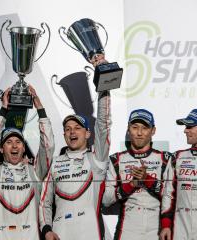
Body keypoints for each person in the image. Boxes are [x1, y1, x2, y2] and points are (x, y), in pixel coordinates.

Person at [0, 86, 54, 240]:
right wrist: (3, 110)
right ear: (1, 149)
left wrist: (39, 107)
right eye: (9, 142)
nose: (14, 146)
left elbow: (48, 147)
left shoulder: (34, 170)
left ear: (23, 148)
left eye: (18, 142)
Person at [39, 89, 111, 240]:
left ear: (87, 134)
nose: (72, 132)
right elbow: (44, 202)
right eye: (68, 129)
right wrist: (46, 229)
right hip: (60, 234)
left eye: (78, 128)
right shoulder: (54, 163)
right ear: (64, 135)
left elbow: (103, 125)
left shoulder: (96, 159)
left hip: (90, 233)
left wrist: (105, 86)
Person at [103, 109, 174, 240]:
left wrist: (148, 180)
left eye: (145, 128)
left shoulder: (165, 158)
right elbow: (106, 200)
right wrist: (131, 184)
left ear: (153, 131)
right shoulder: (116, 160)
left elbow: (173, 196)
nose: (139, 133)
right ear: (128, 130)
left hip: (157, 227)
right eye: (135, 127)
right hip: (128, 228)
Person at [160, 109, 197, 240]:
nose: (185, 130)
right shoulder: (178, 157)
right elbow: (168, 194)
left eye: (190, 126)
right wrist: (165, 225)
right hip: (181, 228)